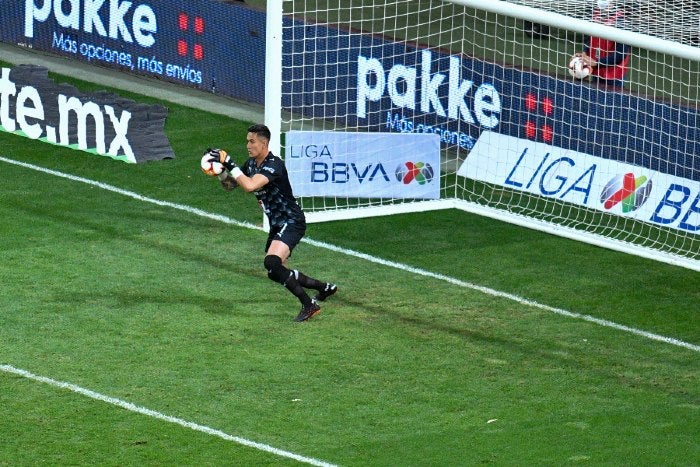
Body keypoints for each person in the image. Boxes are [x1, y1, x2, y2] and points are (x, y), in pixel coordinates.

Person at [204, 124, 337, 322]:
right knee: (275, 272)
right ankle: (324, 288)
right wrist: (221, 171)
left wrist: (230, 163)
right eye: (247, 141)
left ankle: (309, 305)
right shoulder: (251, 164)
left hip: (291, 220)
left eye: (252, 141)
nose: (248, 145)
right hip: (277, 223)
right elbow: (231, 185)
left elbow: (249, 186)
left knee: (272, 262)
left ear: (264, 143)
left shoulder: (274, 165)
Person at [576, 0, 632, 89]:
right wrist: (584, 53)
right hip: (597, 70)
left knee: (612, 101)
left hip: (613, 75)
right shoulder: (595, 14)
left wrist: (596, 63)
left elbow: (620, 55)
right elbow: (589, 38)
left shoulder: (621, 21)